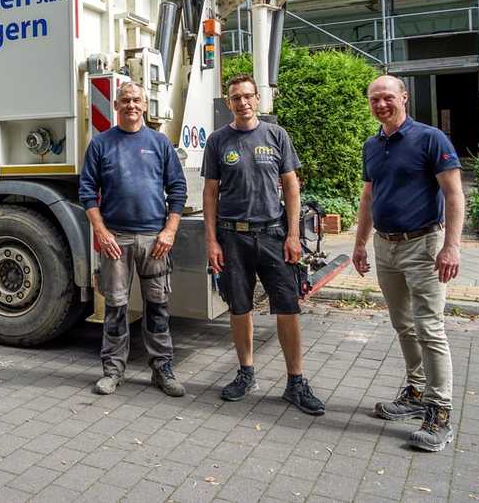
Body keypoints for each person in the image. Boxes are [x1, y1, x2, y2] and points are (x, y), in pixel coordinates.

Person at [352, 74, 462, 452]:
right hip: (386, 246)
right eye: (374, 99)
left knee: (429, 327)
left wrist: (451, 247)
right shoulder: (372, 144)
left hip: (424, 245)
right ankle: (416, 393)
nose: (381, 104)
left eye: (387, 97)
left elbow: (454, 194)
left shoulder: (430, 139)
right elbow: (368, 197)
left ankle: (440, 411)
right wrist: (360, 244)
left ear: (404, 97)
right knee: (403, 324)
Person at [202, 74, 325, 415]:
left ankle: (295, 382)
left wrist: (293, 235)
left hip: (273, 235)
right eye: (235, 98)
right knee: (239, 307)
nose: (242, 102)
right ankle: (245, 373)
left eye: (247, 96)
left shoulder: (276, 135)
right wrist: (211, 241)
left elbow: (291, 186)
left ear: (258, 99)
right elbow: (210, 194)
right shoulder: (218, 141)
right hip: (232, 235)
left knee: (288, 307)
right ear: (229, 103)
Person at [80, 81, 187, 396]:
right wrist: (100, 231)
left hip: (155, 240)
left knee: (158, 307)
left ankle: (162, 371)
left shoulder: (159, 143)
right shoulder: (100, 144)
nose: (131, 105)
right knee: (115, 308)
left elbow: (177, 189)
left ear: (145, 105)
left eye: (136, 100)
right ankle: (113, 371)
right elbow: (87, 191)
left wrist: (170, 230)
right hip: (117, 240)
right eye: (125, 100)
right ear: (116, 105)